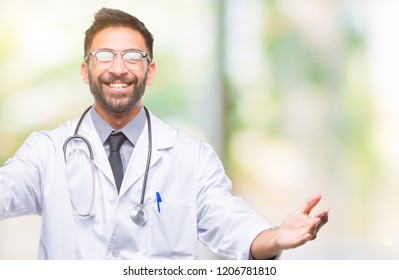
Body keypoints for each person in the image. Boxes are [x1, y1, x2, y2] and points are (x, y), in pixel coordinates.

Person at [0, 7, 328, 260]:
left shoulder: (191, 157)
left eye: (132, 56)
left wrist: (277, 237)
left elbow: (233, 225)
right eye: (104, 56)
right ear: (86, 71)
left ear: (149, 71)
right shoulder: (46, 152)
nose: (118, 68)